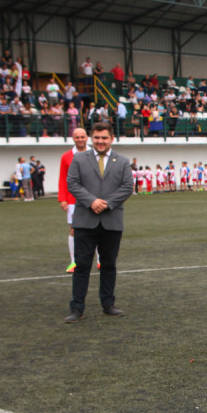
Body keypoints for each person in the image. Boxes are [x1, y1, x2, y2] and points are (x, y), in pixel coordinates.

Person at [64, 121, 134, 323]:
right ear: (90, 138)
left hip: (111, 221)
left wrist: (108, 203)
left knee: (109, 265)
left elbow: (127, 186)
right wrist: (91, 201)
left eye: (104, 138)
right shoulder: (79, 159)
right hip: (85, 221)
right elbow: (72, 183)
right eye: (96, 138)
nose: (100, 141)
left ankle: (108, 304)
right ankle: (77, 308)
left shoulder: (122, 161)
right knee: (82, 265)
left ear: (112, 138)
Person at [59, 127, 91, 273]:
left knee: (98, 228)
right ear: (73, 138)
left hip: (94, 197)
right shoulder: (66, 156)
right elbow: (63, 178)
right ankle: (74, 261)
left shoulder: (95, 153)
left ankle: (100, 260)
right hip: (73, 199)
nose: (80, 139)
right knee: (74, 230)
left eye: (82, 137)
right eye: (77, 137)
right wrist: (62, 198)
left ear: (87, 137)